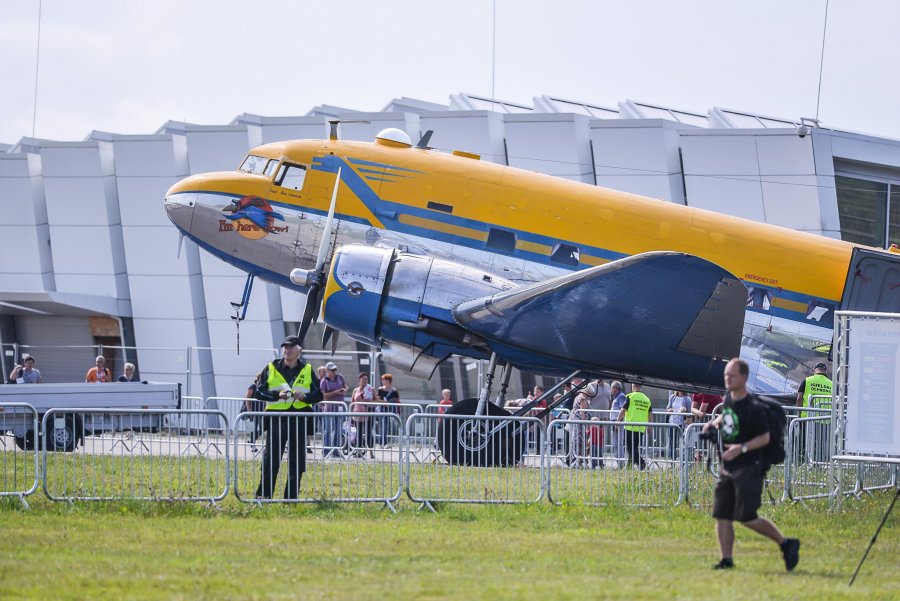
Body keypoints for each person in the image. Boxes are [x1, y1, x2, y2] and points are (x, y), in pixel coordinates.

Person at [703, 358, 800, 571]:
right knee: (722, 514)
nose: (727, 378)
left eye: (732, 375)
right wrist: (712, 423)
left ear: (744, 378)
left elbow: (764, 438)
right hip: (727, 466)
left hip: (749, 466)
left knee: (746, 517)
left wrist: (742, 447)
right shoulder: (729, 399)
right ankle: (726, 560)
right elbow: (726, 417)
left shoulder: (753, 407)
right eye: (726, 375)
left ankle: (786, 543)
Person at [254, 336, 322, 500]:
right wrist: (277, 395)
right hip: (276, 420)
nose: (287, 350)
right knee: (271, 460)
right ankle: (263, 497)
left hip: (298, 420)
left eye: (291, 347)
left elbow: (319, 395)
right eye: (285, 347)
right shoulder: (271, 368)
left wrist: (305, 397)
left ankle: (290, 498)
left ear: (299, 350)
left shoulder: (307, 369)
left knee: (297, 461)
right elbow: (259, 392)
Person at [795, 362, 833, 462]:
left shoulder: (807, 380)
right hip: (825, 420)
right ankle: (820, 464)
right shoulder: (832, 384)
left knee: (804, 443)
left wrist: (799, 415)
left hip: (807, 418)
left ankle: (802, 464)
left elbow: (799, 398)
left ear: (814, 370)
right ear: (825, 371)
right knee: (821, 445)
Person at [617, 383, 652, 470]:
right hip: (641, 427)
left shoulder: (630, 397)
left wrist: (618, 421)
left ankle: (642, 464)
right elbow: (650, 413)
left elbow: (623, 410)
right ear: (641, 387)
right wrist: (650, 425)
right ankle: (629, 467)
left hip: (630, 426)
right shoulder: (646, 399)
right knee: (634, 448)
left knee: (630, 448)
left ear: (633, 387)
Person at [320, 361, 348, 459]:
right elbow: (324, 395)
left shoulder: (340, 377)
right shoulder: (324, 381)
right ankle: (326, 451)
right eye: (332, 370)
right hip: (329, 409)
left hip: (339, 408)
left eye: (335, 369)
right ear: (327, 371)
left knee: (338, 430)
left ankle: (336, 451)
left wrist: (344, 389)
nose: (334, 371)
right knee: (327, 430)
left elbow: (345, 386)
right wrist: (336, 392)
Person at [351, 372, 376, 458]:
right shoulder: (355, 390)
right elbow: (352, 402)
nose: (365, 381)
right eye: (363, 379)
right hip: (357, 414)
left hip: (368, 415)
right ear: (359, 380)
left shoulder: (371, 389)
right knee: (359, 433)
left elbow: (376, 400)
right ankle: (359, 451)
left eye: (366, 379)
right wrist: (350, 414)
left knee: (369, 434)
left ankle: (371, 452)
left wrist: (369, 402)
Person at [665, 391, 692, 460]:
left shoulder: (687, 399)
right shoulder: (673, 397)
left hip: (682, 424)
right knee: (672, 443)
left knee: (683, 442)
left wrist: (685, 411)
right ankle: (673, 462)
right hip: (672, 423)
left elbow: (689, 414)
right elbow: (667, 408)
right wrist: (669, 410)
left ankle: (683, 462)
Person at [376, 374, 400, 447]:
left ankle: (384, 442)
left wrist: (396, 409)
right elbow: (377, 399)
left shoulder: (394, 390)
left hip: (391, 411)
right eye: (382, 379)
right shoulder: (380, 389)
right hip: (382, 410)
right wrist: (384, 402)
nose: (382, 381)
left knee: (388, 427)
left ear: (388, 381)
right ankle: (383, 442)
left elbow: (397, 400)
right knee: (383, 426)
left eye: (384, 379)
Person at [609, 381, 627, 463]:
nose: (610, 390)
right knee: (615, 443)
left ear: (615, 388)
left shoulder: (621, 396)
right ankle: (618, 462)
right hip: (614, 422)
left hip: (618, 423)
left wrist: (618, 423)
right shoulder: (616, 397)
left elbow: (622, 410)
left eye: (611, 388)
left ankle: (621, 463)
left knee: (618, 443)